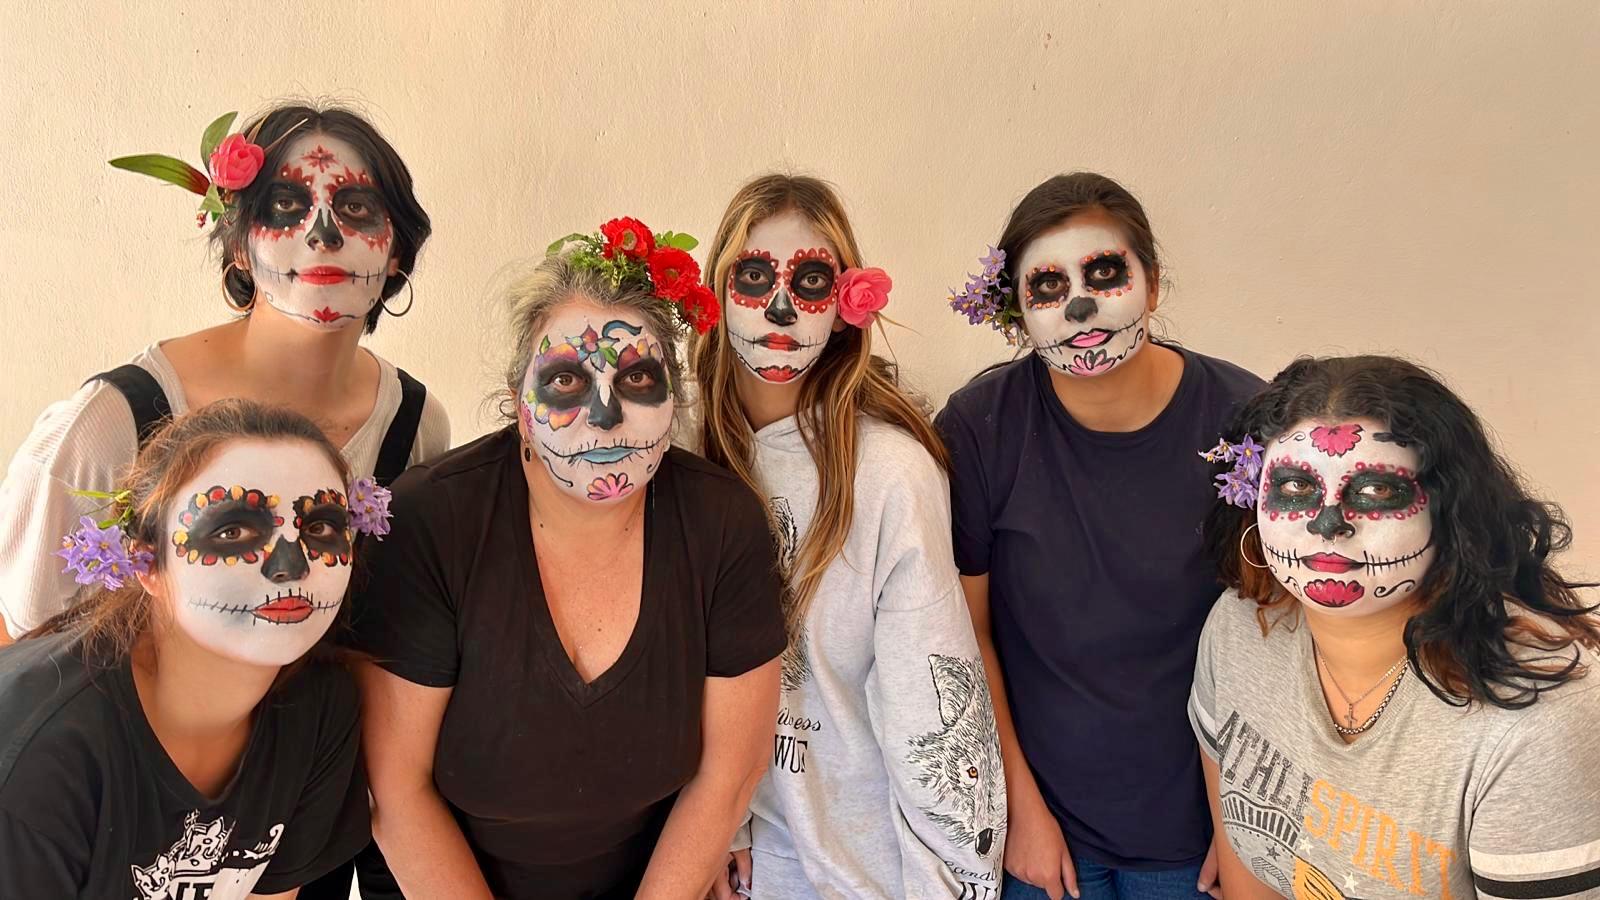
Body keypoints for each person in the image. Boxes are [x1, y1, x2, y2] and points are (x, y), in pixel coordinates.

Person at [349, 220, 786, 899]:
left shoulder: (720, 523)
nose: (605, 413)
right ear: (519, 406)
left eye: (638, 377)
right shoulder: (432, 523)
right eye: (563, 382)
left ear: (673, 398)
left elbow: (732, 767)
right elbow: (394, 789)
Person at [0, 102, 449, 642]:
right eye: (286, 205)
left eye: (356, 208)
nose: (324, 235)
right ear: (238, 245)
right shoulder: (114, 421)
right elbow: (20, 642)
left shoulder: (414, 423)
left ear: (398, 249)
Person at [938, 173, 1264, 899]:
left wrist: (1245, 822)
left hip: (1201, 831)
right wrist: (1020, 808)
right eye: (1047, 287)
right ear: (1016, 312)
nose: (1079, 303)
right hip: (1044, 831)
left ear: (1152, 284)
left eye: (1106, 272)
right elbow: (967, 635)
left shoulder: (1244, 418)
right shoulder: (984, 427)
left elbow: (1280, 631)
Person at [693, 174, 1005, 899]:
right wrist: (717, 832)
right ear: (715, 294)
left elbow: (936, 707)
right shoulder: (676, 451)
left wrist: (950, 883)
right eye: (752, 277)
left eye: (808, 282)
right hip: (725, 863)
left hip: (867, 870)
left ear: (844, 306)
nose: (779, 306)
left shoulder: (891, 472)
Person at [1191, 355, 1600, 900]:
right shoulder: (1239, 629)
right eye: (1294, 488)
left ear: (1450, 512)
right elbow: (1248, 873)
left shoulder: (1536, 716)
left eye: (1377, 491)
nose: (1328, 523)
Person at [0, 399, 378, 899]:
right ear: (146, 563)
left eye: (319, 528)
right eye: (234, 530)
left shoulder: (319, 710)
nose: (292, 565)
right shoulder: (42, 753)